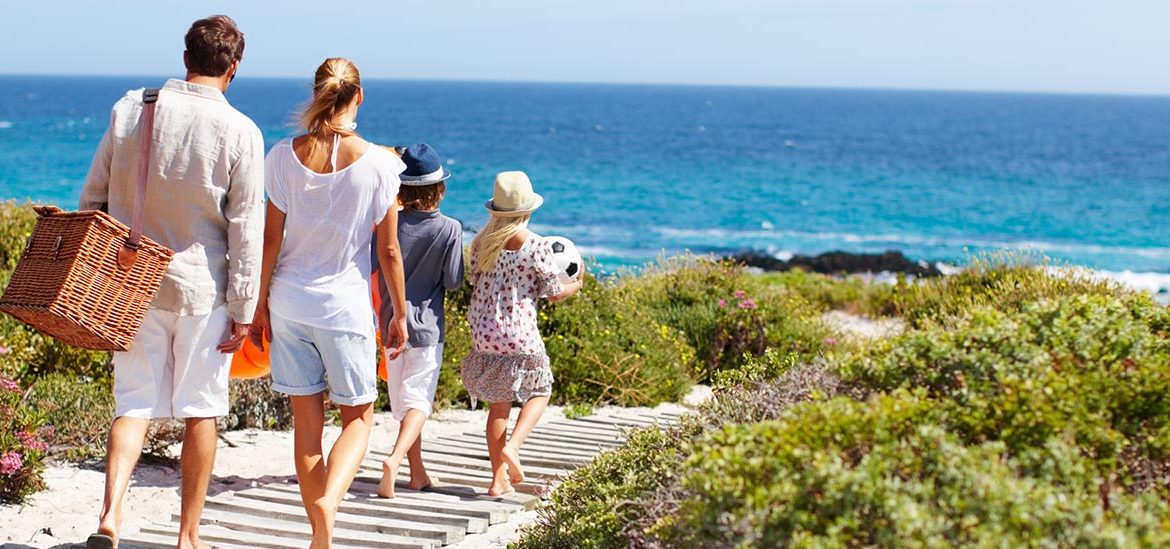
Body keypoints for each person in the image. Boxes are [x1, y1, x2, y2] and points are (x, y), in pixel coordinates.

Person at [78, 15, 264, 549]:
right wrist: (244, 306)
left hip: (132, 284)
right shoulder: (240, 131)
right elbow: (245, 228)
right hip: (202, 290)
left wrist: (100, 271)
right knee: (201, 407)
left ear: (185, 58)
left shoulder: (132, 109)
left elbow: (93, 198)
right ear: (234, 69)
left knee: (132, 403)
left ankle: (110, 517)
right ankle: (187, 536)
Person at [249, 57, 408, 549]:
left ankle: (321, 536)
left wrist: (256, 306)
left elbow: (269, 240)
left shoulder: (282, 157)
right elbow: (388, 251)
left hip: (290, 303)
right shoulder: (383, 165)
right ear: (359, 96)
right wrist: (399, 313)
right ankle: (331, 502)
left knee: (306, 429)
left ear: (319, 92)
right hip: (344, 309)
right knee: (358, 419)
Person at [461, 171, 583, 496]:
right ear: (527, 211)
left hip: (485, 333)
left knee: (498, 406)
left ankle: (497, 480)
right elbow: (554, 291)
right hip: (519, 333)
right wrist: (578, 283)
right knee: (541, 390)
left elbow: (478, 283)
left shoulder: (479, 244)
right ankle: (513, 447)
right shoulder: (537, 246)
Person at [373, 143, 465, 498]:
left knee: (404, 404)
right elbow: (454, 280)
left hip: (389, 326)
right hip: (426, 328)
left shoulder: (385, 225)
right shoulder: (449, 229)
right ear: (439, 189)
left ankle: (417, 473)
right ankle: (395, 461)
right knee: (419, 403)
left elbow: (374, 266)